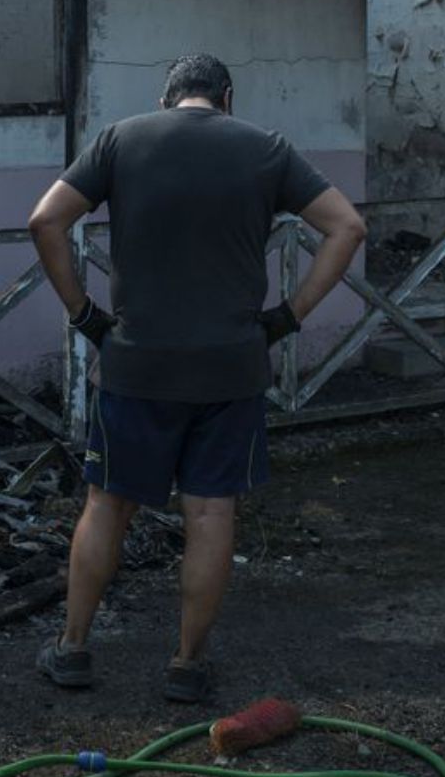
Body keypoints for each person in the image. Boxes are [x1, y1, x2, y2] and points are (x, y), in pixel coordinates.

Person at [26, 53, 367, 701]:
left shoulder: (121, 140)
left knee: (107, 503)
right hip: (229, 368)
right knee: (211, 512)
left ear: (167, 100)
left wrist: (83, 314)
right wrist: (288, 317)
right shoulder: (266, 148)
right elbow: (347, 227)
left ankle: (72, 649)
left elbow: (45, 221)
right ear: (226, 97)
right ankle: (186, 664)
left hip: (134, 363)